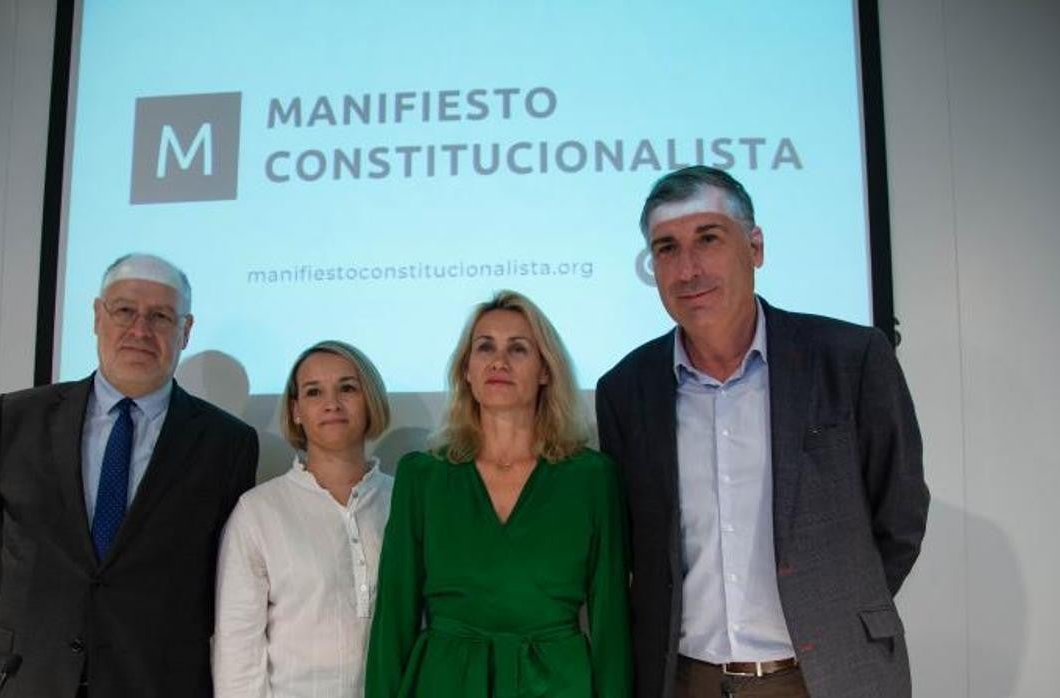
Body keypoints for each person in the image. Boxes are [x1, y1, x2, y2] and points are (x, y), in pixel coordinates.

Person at [596, 166, 929, 697]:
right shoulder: (626, 390)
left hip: (828, 677)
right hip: (684, 681)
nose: (688, 269)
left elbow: (901, 516)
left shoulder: (851, 360)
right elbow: (634, 549)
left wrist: (835, 614)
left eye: (708, 238)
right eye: (666, 248)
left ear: (755, 247)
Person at [0, 253, 259, 698]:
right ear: (96, 316)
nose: (140, 330)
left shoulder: (227, 444)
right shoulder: (16, 419)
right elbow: (4, 551)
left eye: (161, 316)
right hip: (30, 676)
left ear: (185, 331)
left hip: (159, 680)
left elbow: (217, 581)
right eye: (125, 310)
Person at [366, 290, 632, 697]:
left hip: (557, 683)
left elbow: (612, 623)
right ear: (466, 371)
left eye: (518, 349)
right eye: (484, 347)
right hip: (445, 682)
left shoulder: (592, 479)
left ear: (545, 370)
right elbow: (393, 622)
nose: (498, 361)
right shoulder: (423, 477)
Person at [213, 340, 393, 697]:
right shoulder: (258, 512)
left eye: (347, 388)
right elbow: (238, 652)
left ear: (369, 399)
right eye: (314, 392)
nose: (332, 404)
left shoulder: (404, 502)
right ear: (296, 410)